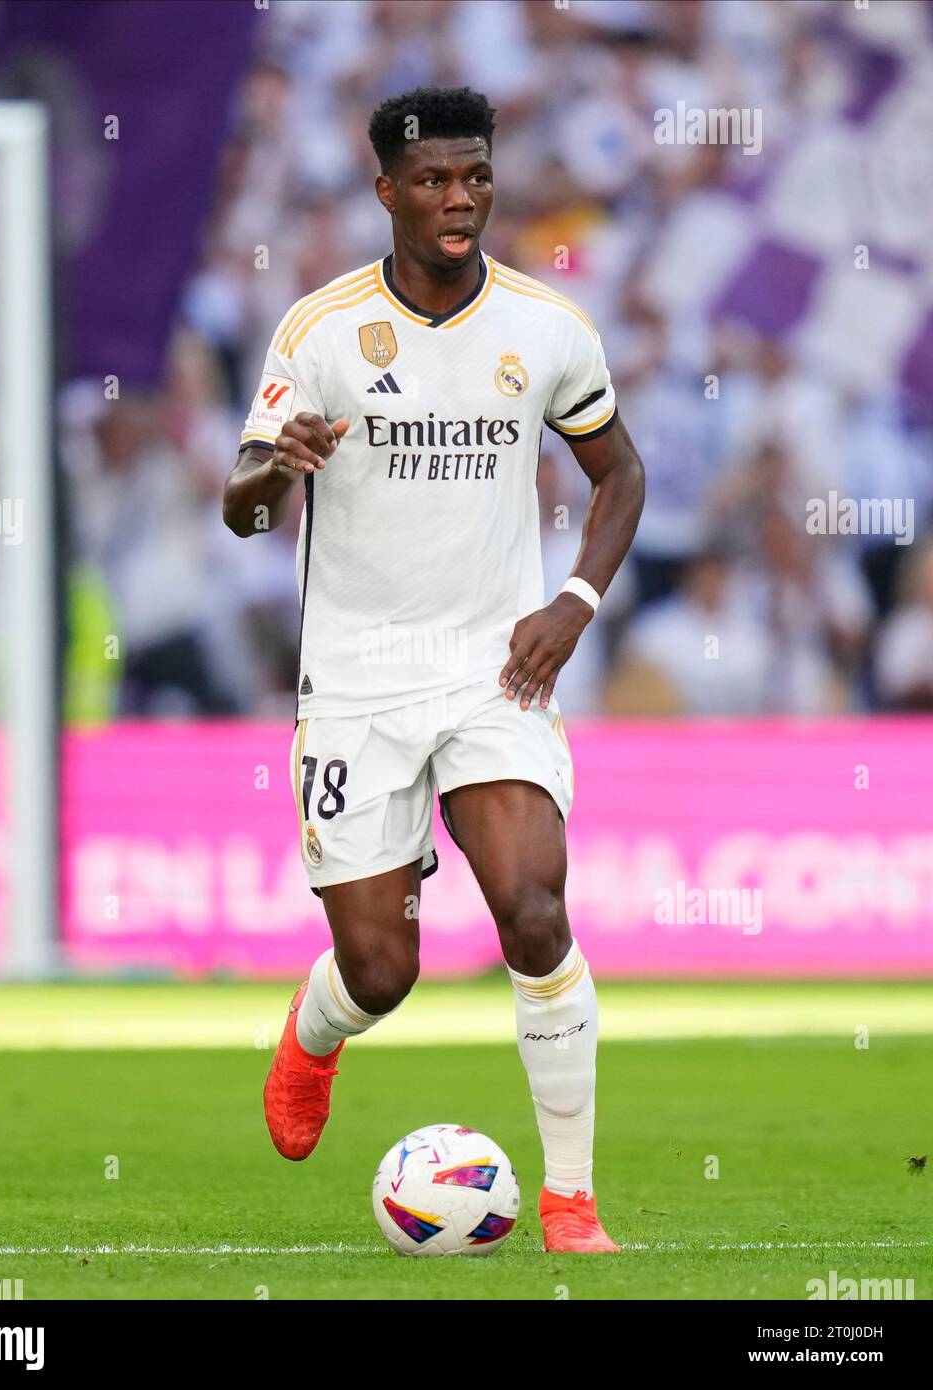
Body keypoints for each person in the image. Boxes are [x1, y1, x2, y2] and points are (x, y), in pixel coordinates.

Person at [223, 86, 644, 1253]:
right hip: (355, 681)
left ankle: (569, 1202)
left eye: (473, 177)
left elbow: (619, 475)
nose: (457, 200)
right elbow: (240, 507)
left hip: (492, 672)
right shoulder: (317, 330)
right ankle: (314, 1034)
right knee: (380, 963)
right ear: (385, 194)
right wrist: (278, 470)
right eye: (430, 181)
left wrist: (573, 598)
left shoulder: (545, 328)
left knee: (532, 909)